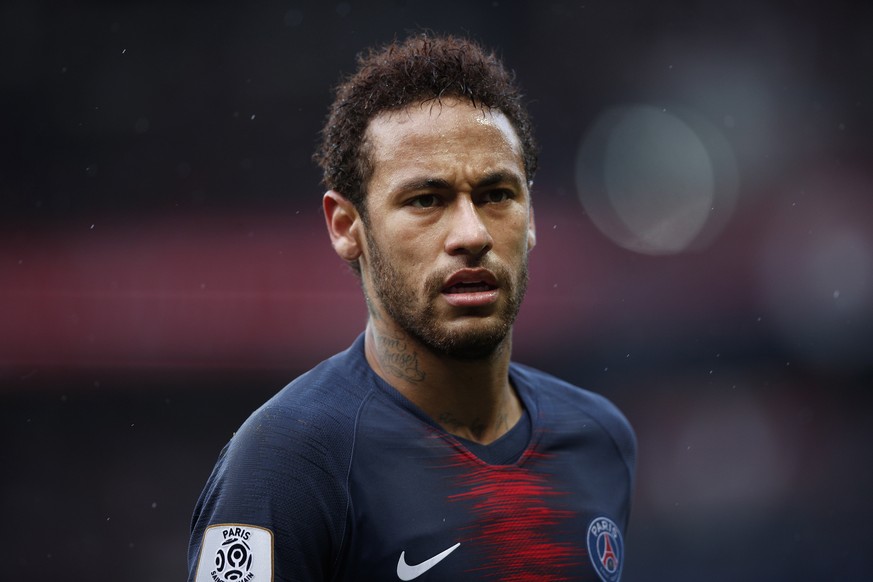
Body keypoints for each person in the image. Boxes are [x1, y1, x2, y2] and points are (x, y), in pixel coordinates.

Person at [188, 34, 636, 582]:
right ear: (346, 227)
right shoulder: (286, 464)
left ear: (533, 215)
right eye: (426, 200)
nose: (472, 234)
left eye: (497, 194)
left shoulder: (600, 439)